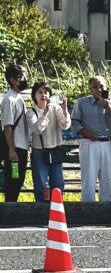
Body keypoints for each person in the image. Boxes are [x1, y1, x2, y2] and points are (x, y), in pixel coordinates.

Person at [71, 75, 111, 203]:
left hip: (107, 142)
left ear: (107, 87)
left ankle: (106, 205)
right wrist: (85, 132)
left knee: (107, 178)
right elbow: (74, 122)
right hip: (89, 142)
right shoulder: (81, 102)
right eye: (95, 87)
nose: (99, 89)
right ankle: (88, 206)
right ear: (90, 89)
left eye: (101, 86)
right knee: (89, 177)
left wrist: (108, 107)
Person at [26, 81, 70, 202]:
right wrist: (45, 113)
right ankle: (40, 210)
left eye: (46, 92)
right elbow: (38, 129)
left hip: (55, 151)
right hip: (39, 152)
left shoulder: (56, 108)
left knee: (58, 185)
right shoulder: (31, 112)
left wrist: (64, 110)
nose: (43, 95)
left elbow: (65, 125)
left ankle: (57, 209)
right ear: (34, 95)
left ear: (50, 95)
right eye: (40, 92)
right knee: (40, 185)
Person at [2, 64, 31, 202]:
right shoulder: (9, 99)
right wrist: (11, 150)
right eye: (21, 77)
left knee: (18, 180)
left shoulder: (18, 97)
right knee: (13, 181)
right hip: (15, 148)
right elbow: (8, 126)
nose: (24, 79)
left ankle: (12, 207)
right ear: (12, 80)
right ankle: (9, 209)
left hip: (21, 147)